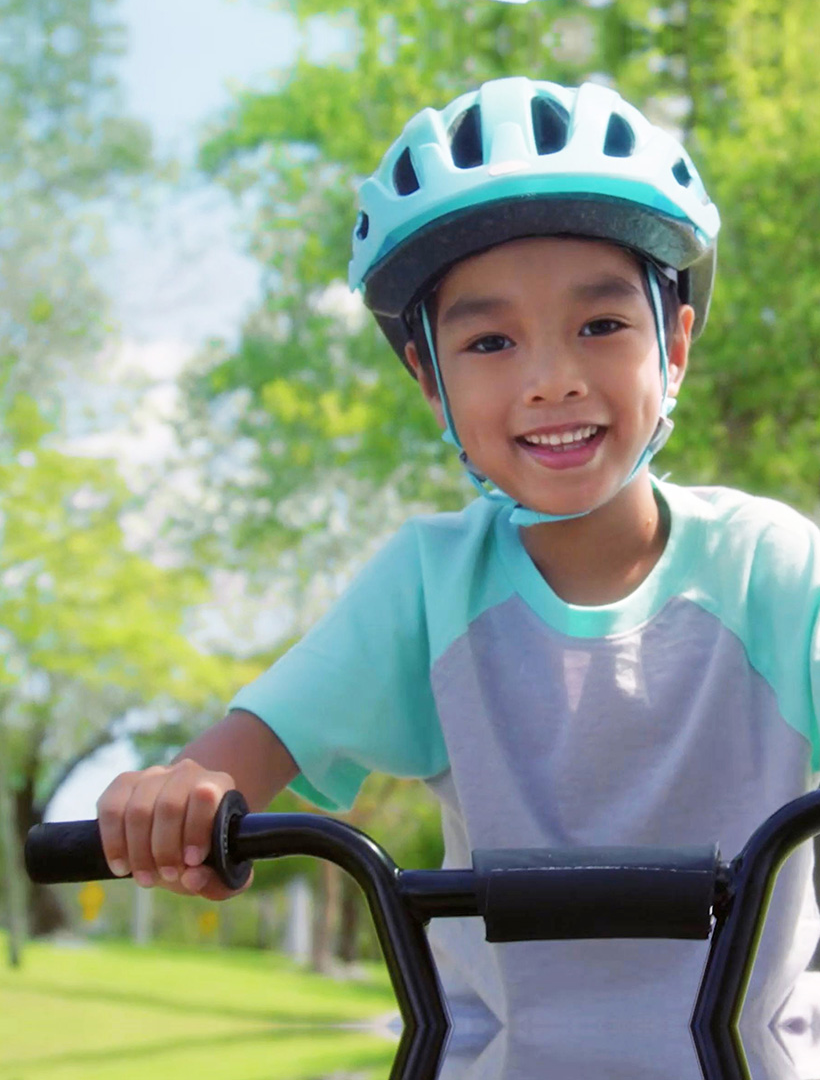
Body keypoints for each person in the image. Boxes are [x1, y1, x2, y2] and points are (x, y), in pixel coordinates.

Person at [97, 77, 820, 1078]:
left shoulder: (773, 569)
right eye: (489, 341)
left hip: (755, 1054)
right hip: (486, 1056)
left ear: (676, 345)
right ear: (430, 380)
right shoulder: (427, 589)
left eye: (601, 326)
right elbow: (243, 756)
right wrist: (185, 802)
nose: (550, 377)